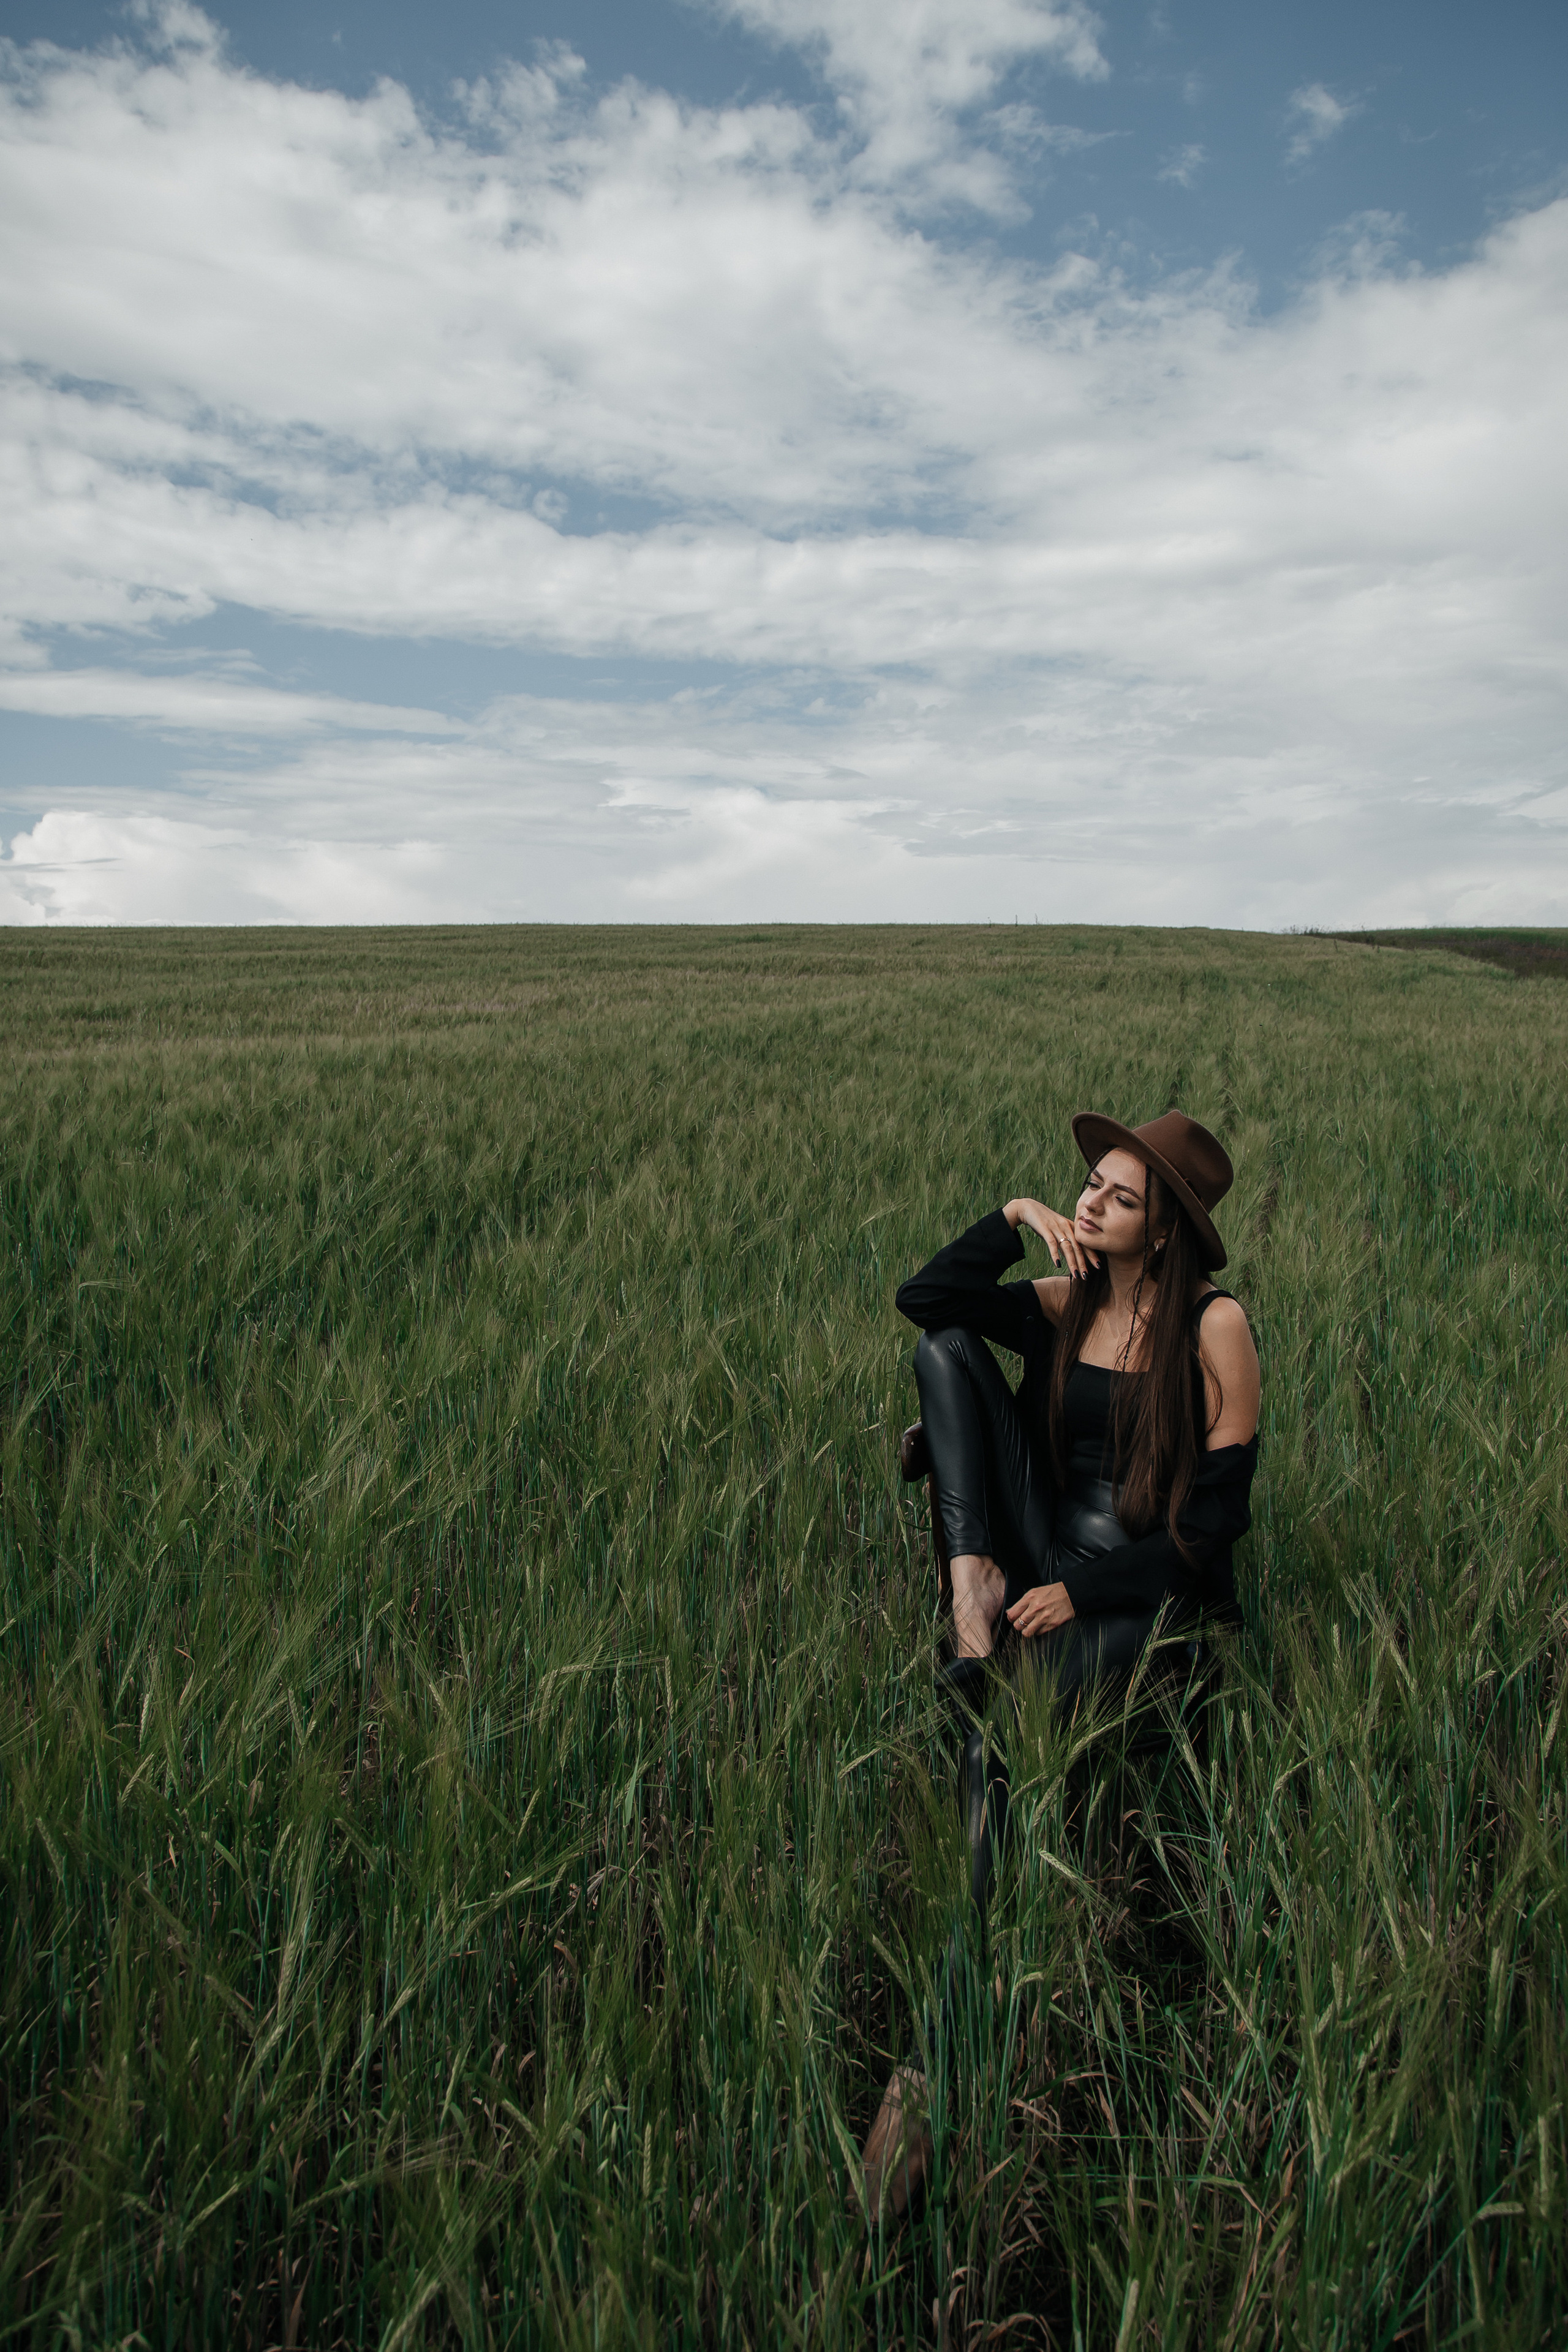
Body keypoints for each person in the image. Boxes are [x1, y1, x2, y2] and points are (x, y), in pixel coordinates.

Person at [859, 1109, 1261, 2223]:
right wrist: (1010, 1217)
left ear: (1165, 1228)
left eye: (1120, 1197)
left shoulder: (1216, 1327)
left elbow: (1215, 1526)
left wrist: (1085, 1594)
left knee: (999, 1743)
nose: (1090, 1203)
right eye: (1088, 1184)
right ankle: (971, 1591)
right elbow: (929, 1303)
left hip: (1143, 1594)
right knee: (943, 1353)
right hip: (1036, 1556)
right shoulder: (1064, 1299)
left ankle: (936, 2055)